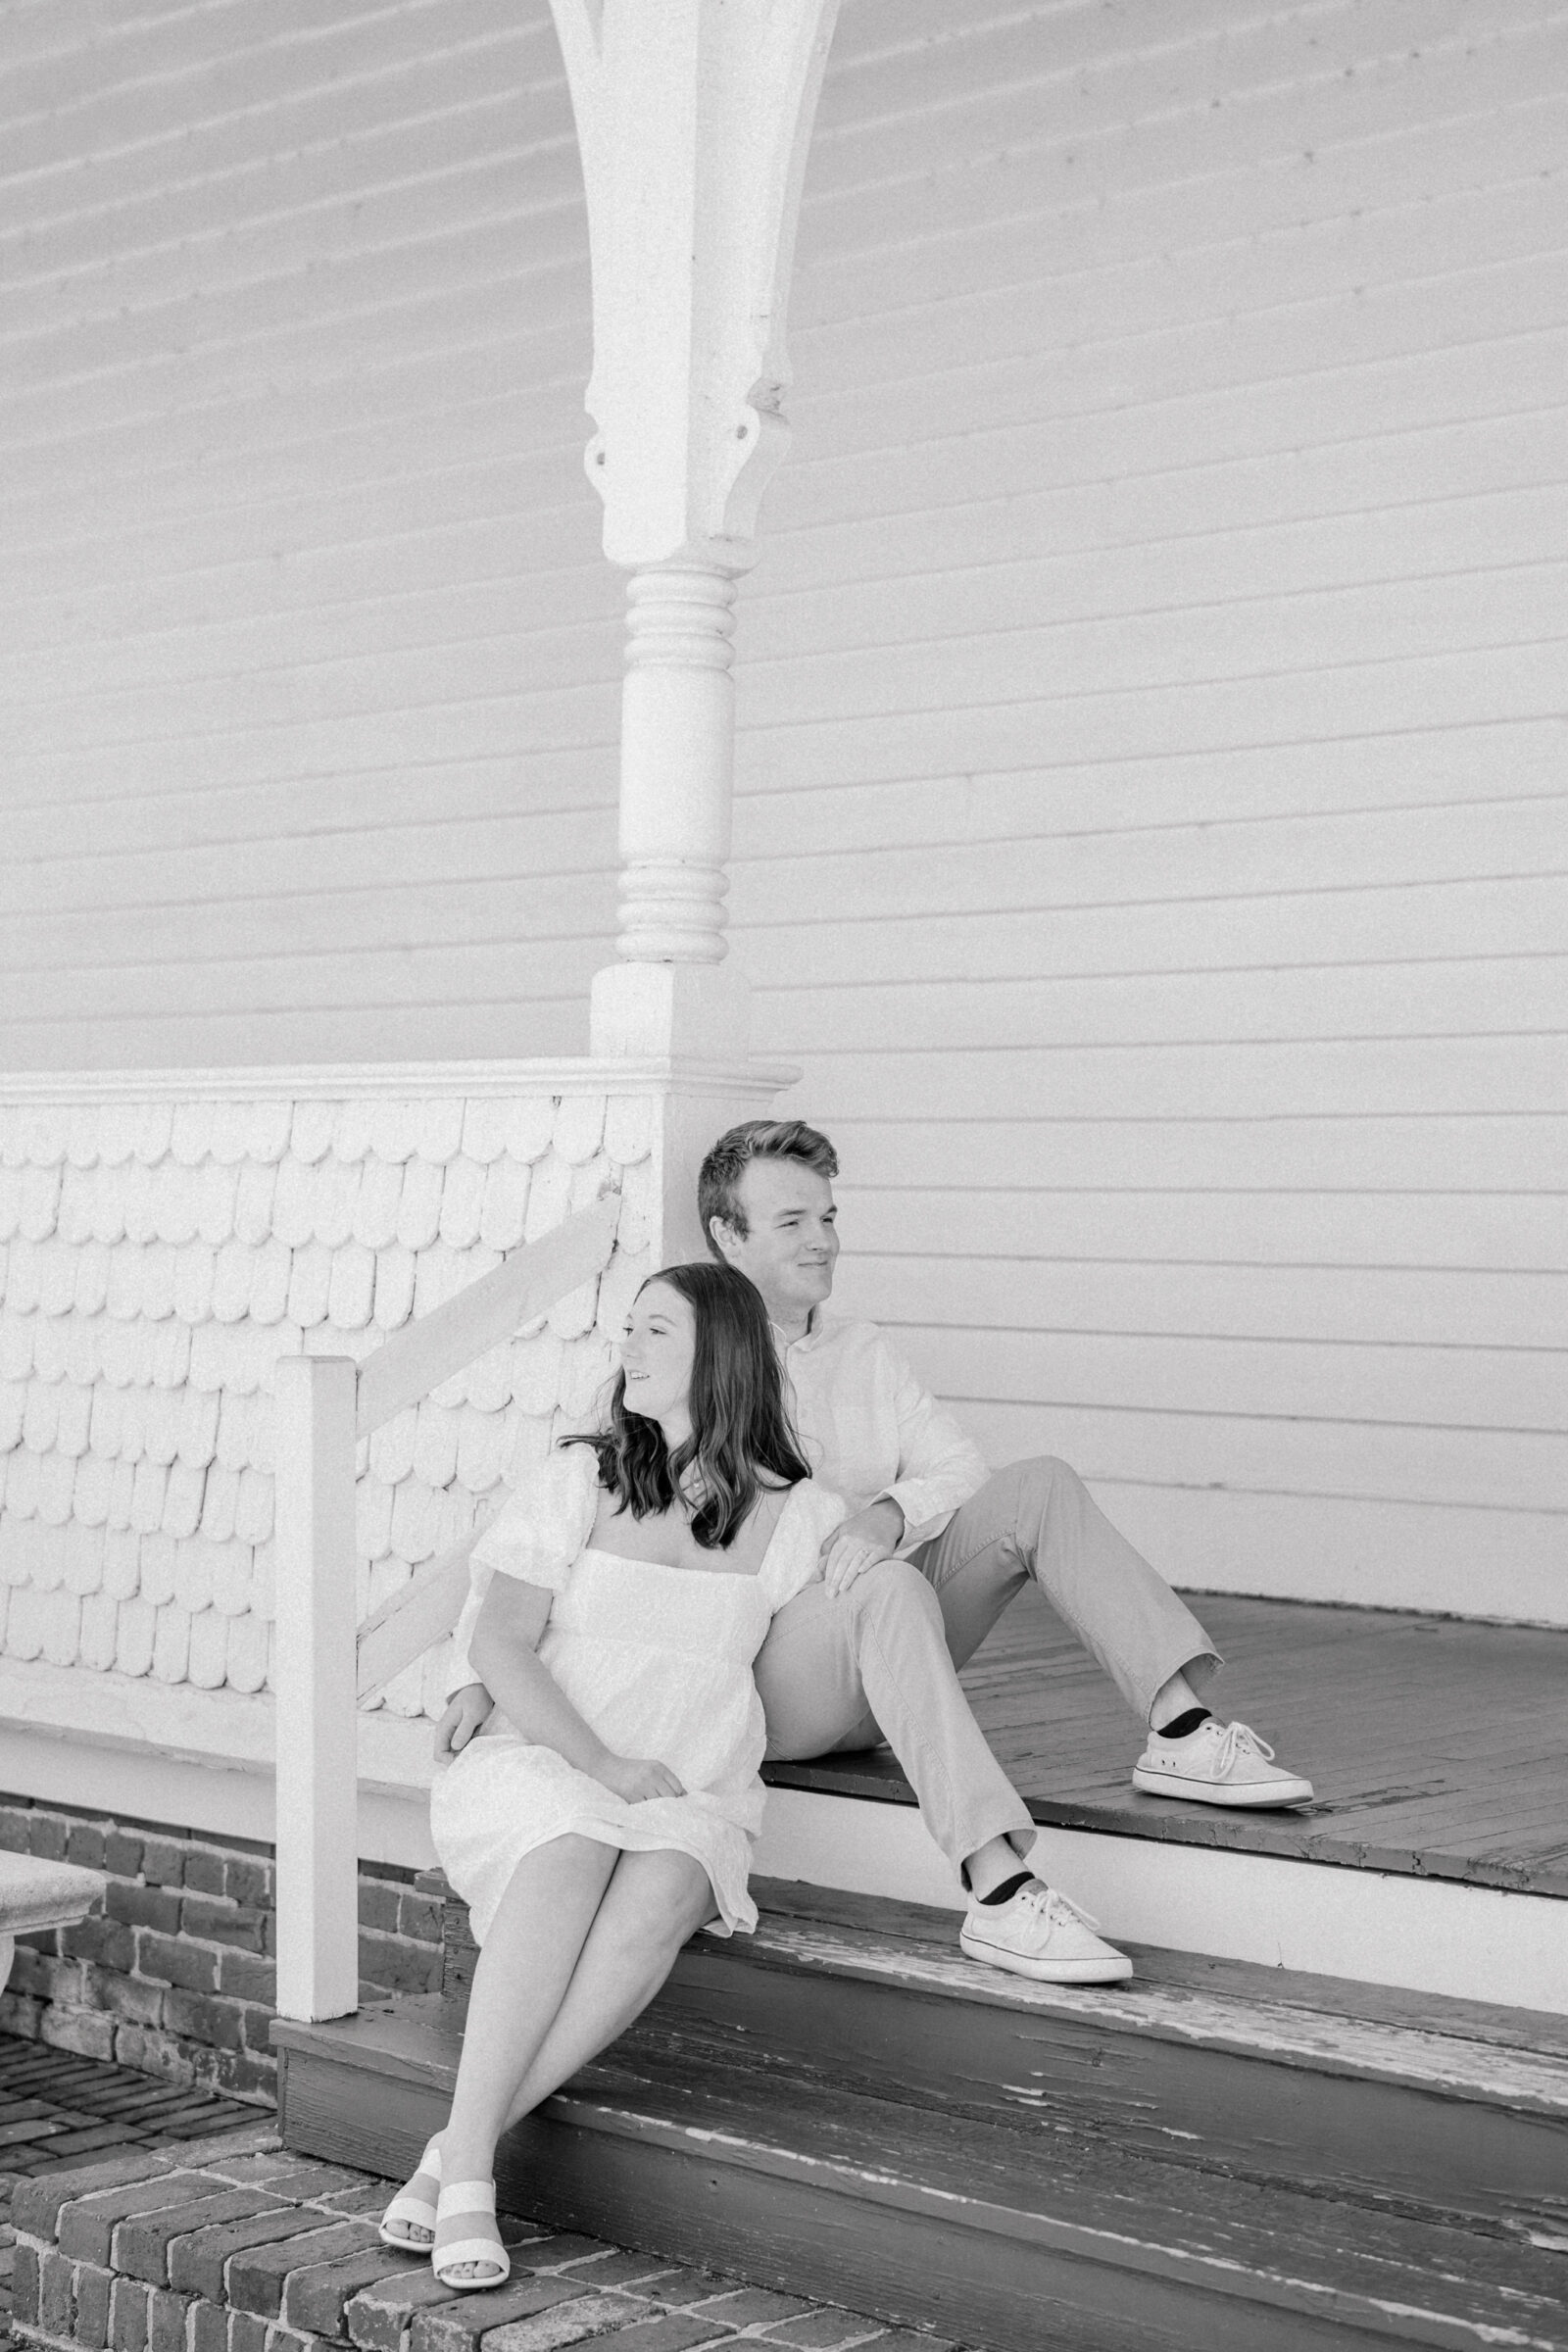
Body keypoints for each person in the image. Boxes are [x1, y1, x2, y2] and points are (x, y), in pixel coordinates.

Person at [381, 1260, 847, 2289]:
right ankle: (472, 2182)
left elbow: (827, 1660)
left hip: (691, 1778)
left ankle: (455, 2149)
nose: (626, 1348)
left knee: (667, 1887)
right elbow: (503, 1644)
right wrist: (596, 1761)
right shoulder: (580, 1479)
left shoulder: (800, 1517)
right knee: (576, 1838)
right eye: (627, 1329)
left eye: (654, 1332)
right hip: (545, 1757)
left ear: (719, 1357)